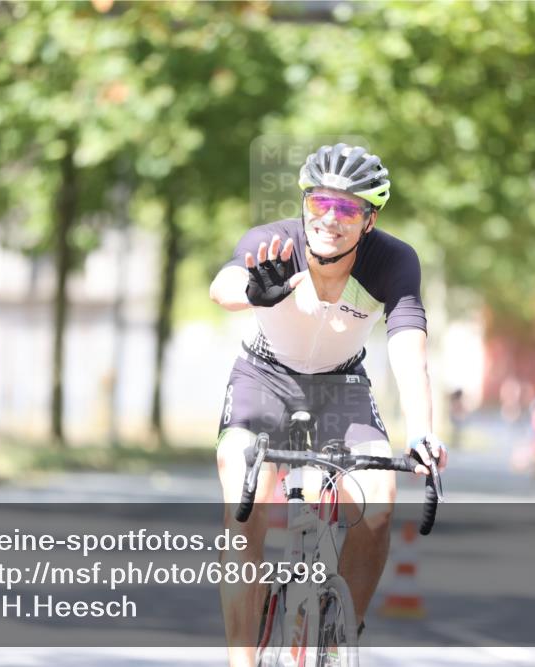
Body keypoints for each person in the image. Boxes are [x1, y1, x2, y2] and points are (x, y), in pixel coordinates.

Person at [209, 143, 447, 667]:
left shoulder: (393, 259)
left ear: (370, 219)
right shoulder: (274, 244)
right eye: (320, 203)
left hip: (342, 386)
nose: (330, 220)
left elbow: (408, 340)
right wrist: (252, 290)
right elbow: (222, 285)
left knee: (380, 501)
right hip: (263, 378)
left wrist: (423, 431)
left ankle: (342, 633)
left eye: (348, 209)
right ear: (305, 204)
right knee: (244, 497)